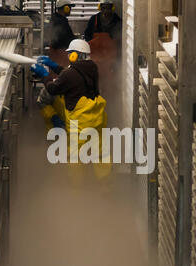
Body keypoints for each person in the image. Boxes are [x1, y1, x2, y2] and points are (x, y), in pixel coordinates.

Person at [31, 39, 111, 179]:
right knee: (101, 153)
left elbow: (53, 88)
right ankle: (106, 186)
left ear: (76, 55)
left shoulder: (69, 74)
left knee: (75, 156)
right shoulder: (92, 67)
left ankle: (77, 188)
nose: (68, 57)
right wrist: (55, 67)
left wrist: (45, 76)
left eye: (71, 54)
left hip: (79, 120)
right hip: (97, 116)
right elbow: (71, 74)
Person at [83, 0, 122, 106]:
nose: (106, 11)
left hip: (110, 61)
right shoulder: (93, 20)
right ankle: (94, 106)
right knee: (94, 84)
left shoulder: (117, 21)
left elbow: (120, 42)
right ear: (100, 8)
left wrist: (117, 60)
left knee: (109, 86)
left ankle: (109, 107)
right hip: (95, 60)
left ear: (112, 8)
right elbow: (87, 36)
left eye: (108, 8)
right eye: (103, 8)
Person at [48, 0, 76, 67]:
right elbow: (65, 38)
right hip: (59, 54)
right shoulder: (60, 21)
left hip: (58, 53)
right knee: (60, 74)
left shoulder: (58, 19)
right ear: (66, 8)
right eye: (69, 8)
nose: (70, 10)